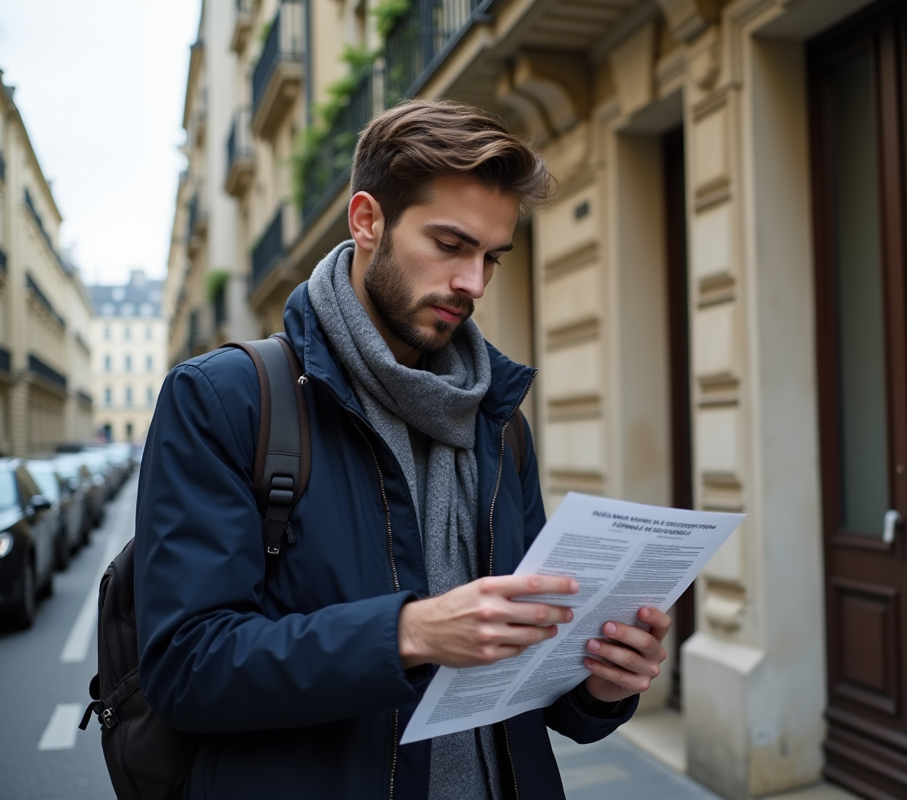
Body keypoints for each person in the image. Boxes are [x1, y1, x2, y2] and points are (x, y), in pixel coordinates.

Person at [134, 99, 671, 799]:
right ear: (367, 221)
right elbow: (186, 668)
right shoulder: (226, 399)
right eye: (450, 246)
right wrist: (408, 634)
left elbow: (538, 686)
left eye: (490, 258)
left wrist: (598, 683)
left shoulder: (499, 422)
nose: (473, 284)